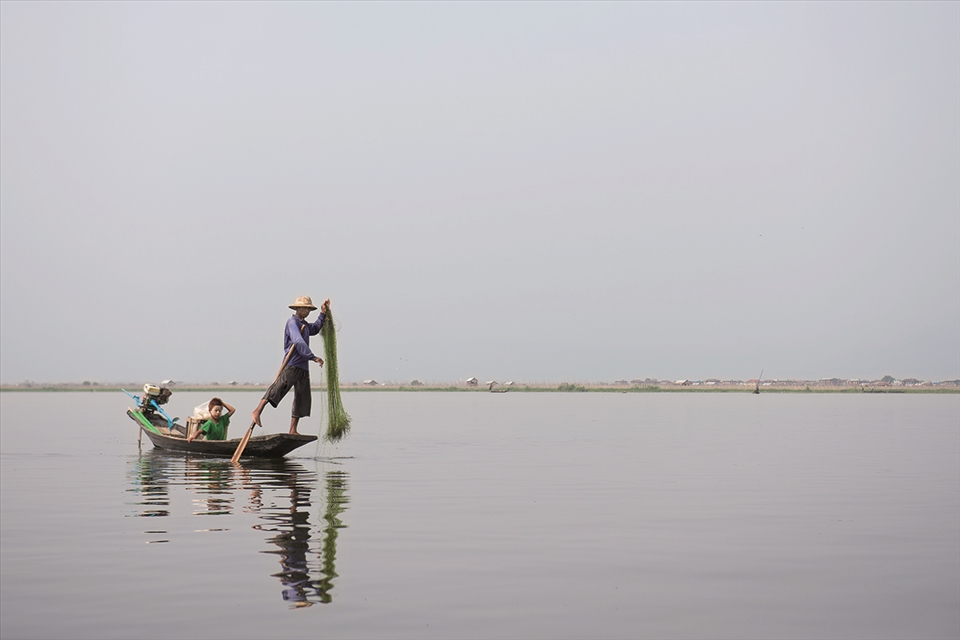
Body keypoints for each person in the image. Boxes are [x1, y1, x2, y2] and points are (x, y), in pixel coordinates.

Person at [251, 295, 330, 435]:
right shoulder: (292, 322)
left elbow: (315, 328)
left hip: (303, 367)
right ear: (297, 308)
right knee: (278, 388)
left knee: (302, 397)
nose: (306, 311)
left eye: (308, 309)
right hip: (292, 364)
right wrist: (313, 357)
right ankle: (257, 410)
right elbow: (298, 342)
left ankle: (293, 429)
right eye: (304, 309)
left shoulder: (304, 324)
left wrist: (323, 314)